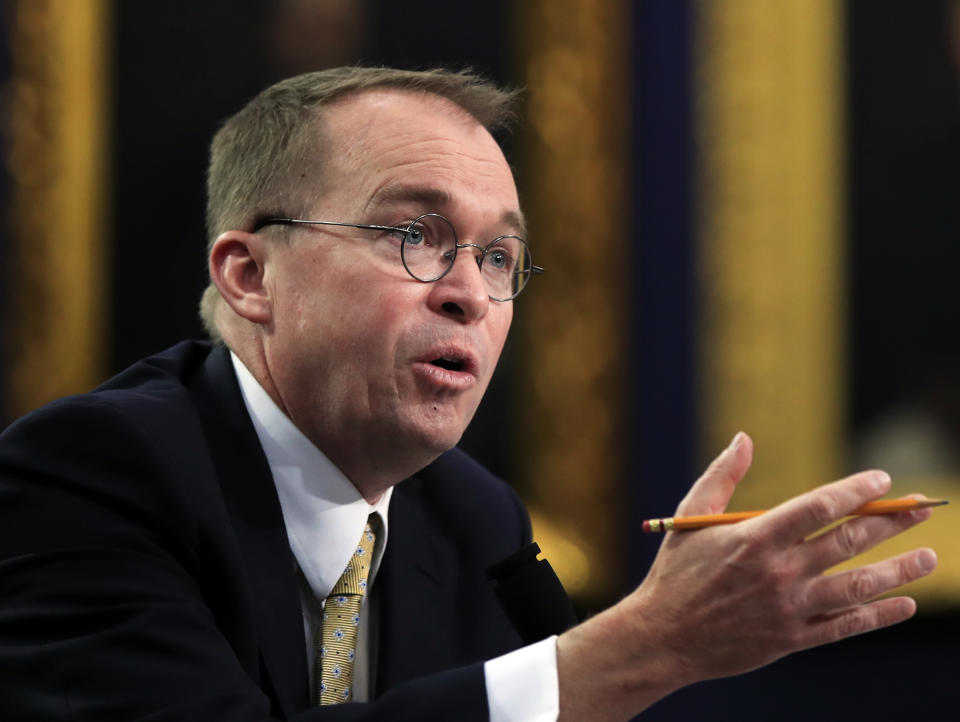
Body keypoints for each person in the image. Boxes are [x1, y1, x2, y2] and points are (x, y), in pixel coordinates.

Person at [0, 66, 938, 721]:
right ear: (249, 274)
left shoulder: (472, 519)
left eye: (498, 257)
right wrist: (642, 647)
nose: (468, 292)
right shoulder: (87, 478)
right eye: (415, 234)